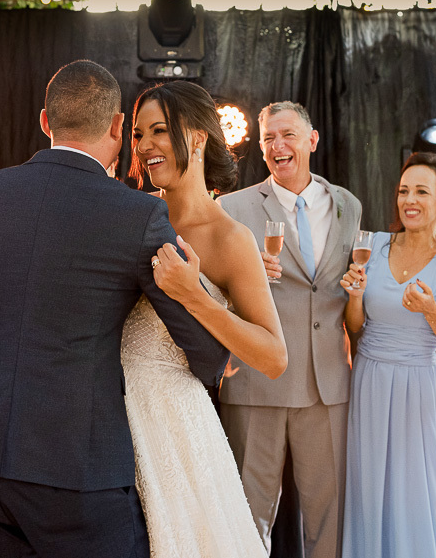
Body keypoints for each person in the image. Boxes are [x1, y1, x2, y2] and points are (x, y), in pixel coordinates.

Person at [0, 60, 228, 557]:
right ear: (118, 127)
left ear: (44, 122)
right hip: (75, 465)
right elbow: (203, 351)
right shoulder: (138, 214)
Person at [125, 80, 287, 556]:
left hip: (176, 422)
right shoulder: (130, 216)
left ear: (197, 137)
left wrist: (194, 297)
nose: (146, 145)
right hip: (110, 415)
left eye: (159, 130)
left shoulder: (229, 237)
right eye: (138, 134)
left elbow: (274, 357)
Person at [217, 101, 362, 558]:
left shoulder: (347, 204)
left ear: (312, 140)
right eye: (268, 140)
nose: (278, 146)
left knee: (330, 516)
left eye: (287, 135)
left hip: (327, 383)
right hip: (257, 380)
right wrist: (240, 272)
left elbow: (346, 284)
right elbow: (208, 289)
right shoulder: (231, 207)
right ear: (260, 149)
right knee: (247, 514)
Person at [339, 152, 436, 558]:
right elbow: (355, 326)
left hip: (419, 385)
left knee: (417, 490)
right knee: (370, 486)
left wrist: (432, 310)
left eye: (421, 192)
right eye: (403, 191)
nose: (409, 200)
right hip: (371, 379)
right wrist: (355, 295)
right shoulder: (373, 245)